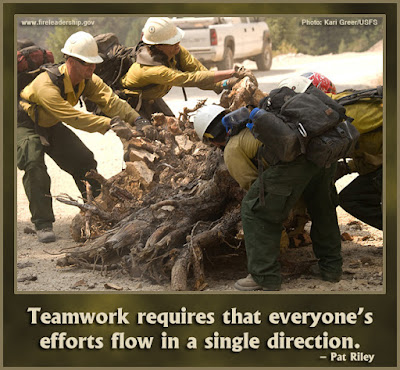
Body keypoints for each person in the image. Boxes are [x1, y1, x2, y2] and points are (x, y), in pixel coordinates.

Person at [193, 100, 342, 291]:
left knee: (253, 210)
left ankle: (263, 276)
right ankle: (331, 268)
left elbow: (254, 186)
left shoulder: (232, 149)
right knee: (322, 207)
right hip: (321, 154)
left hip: (296, 164)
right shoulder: (259, 122)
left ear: (211, 139)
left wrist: (282, 204)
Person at [17, 31, 146, 243]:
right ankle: (43, 223)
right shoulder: (45, 85)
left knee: (84, 160)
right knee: (33, 164)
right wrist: (112, 124)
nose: (92, 67)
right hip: (23, 124)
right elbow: (74, 118)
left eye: (93, 63)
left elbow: (111, 101)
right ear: (70, 61)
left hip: (50, 123)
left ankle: (98, 209)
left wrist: (137, 119)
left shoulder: (88, 79)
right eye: (86, 63)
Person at [120, 17, 250, 120]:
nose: (178, 44)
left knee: (171, 130)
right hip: (132, 105)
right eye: (172, 41)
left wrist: (224, 84)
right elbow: (188, 79)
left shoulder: (175, 50)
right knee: (142, 141)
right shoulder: (148, 70)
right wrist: (231, 72)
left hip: (151, 99)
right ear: (158, 46)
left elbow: (198, 72)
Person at [299, 72, 383, 230]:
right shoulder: (332, 115)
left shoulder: (347, 114)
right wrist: (349, 167)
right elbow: (372, 155)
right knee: (352, 198)